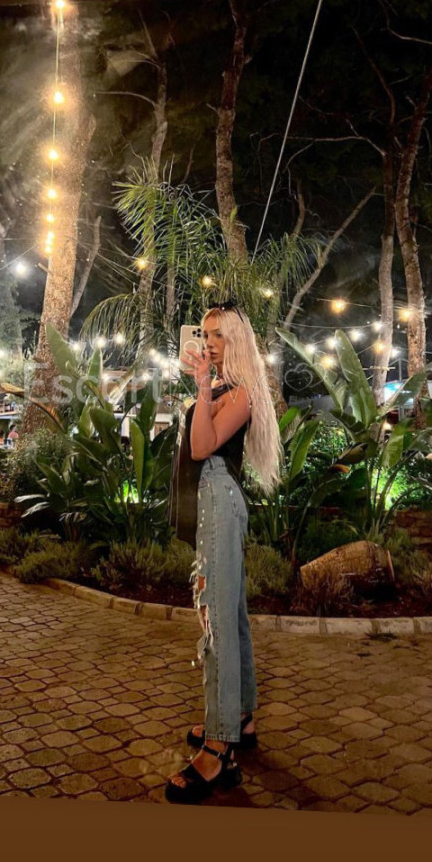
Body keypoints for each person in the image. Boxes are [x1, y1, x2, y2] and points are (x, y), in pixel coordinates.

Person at [164, 300, 282, 804]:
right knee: (231, 616)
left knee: (214, 621)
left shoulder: (241, 392)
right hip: (213, 500)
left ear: (236, 341)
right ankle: (241, 718)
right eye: (205, 333)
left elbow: (201, 447)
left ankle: (218, 748)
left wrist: (200, 387)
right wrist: (203, 386)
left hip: (219, 500)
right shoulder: (224, 388)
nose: (209, 342)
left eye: (218, 334)